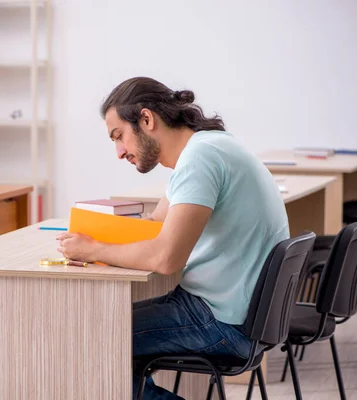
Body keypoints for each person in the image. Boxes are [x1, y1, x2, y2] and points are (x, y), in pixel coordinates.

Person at [56, 77, 289, 399]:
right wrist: (96, 236)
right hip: (237, 314)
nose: (119, 152)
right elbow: (155, 225)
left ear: (147, 120)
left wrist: (92, 248)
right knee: (107, 339)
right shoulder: (209, 146)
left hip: (219, 320)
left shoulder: (201, 159)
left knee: (89, 342)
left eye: (119, 136)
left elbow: (166, 259)